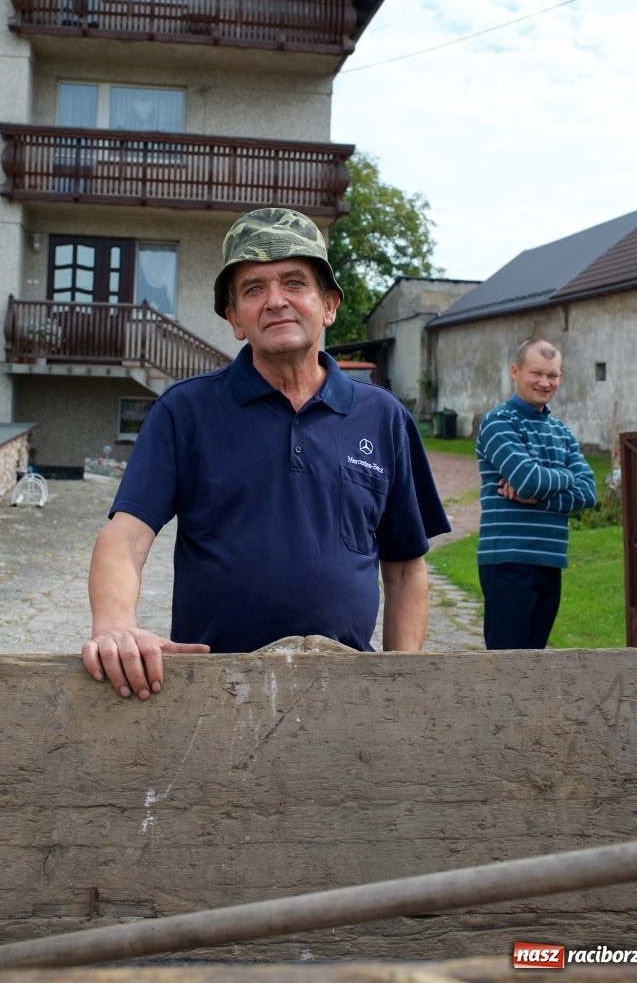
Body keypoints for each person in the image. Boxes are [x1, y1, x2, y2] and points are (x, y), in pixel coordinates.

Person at [82, 207, 450, 699]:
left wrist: (399, 685)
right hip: (212, 696)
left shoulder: (383, 419)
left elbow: (405, 568)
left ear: (329, 305)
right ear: (235, 319)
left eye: (294, 282)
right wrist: (114, 624)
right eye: (253, 289)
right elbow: (125, 537)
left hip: (344, 691)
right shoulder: (184, 413)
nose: (275, 301)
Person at [475, 338, 597, 650]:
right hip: (509, 559)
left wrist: (541, 498)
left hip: (550, 560)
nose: (545, 382)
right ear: (515, 372)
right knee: (507, 665)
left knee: (536, 665)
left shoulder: (562, 432)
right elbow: (528, 480)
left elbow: (589, 492)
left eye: (553, 375)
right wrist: (567, 475)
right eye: (536, 373)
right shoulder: (498, 422)